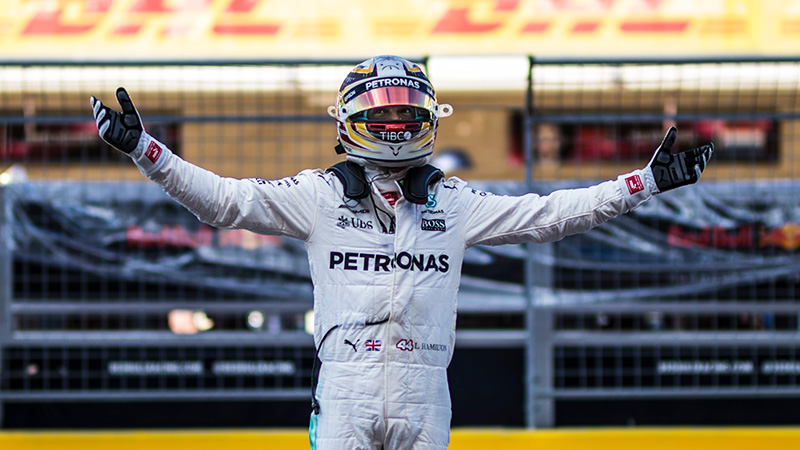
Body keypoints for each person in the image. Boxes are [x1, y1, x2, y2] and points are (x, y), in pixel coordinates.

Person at [90, 55, 713, 450]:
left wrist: (646, 182)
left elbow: (549, 215)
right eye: (380, 114)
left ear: (429, 120)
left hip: (426, 392)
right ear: (347, 120)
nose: (393, 126)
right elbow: (223, 202)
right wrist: (147, 150)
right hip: (345, 389)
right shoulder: (316, 196)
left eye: (404, 114)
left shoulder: (457, 203)